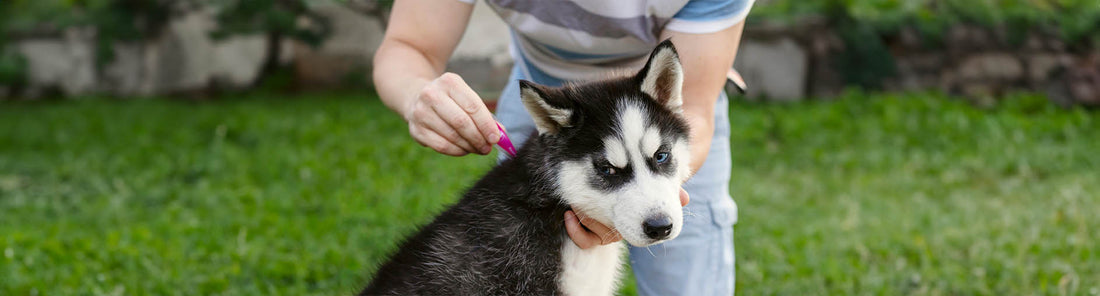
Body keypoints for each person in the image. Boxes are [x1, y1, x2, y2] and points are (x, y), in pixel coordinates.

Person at [372, 0, 753, 295]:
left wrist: (660, 171)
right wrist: (415, 93)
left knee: (684, 282)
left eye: (661, 159)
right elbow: (409, 45)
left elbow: (696, 110)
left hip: (658, 102)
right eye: (609, 171)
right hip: (552, 104)